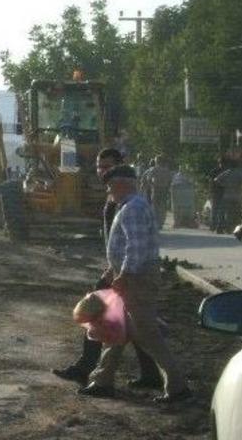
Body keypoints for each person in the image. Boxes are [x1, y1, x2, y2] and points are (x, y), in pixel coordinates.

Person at [80, 165, 191, 404]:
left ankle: (178, 387)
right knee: (114, 328)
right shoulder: (132, 206)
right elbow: (129, 247)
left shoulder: (133, 208)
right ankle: (102, 381)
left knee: (148, 334)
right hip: (132, 276)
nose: (108, 192)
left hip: (137, 280)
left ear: (121, 184)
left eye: (110, 186)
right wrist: (113, 270)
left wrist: (124, 274)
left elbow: (136, 246)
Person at [52, 149, 163, 388]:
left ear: (119, 168)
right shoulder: (114, 198)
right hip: (119, 270)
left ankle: (90, 370)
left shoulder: (127, 202)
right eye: (99, 167)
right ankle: (149, 374)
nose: (102, 172)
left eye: (107, 167)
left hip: (129, 272)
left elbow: (133, 243)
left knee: (104, 317)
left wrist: (121, 272)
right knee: (131, 324)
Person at [213, 160, 242, 233]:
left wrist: (223, 185)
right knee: (236, 212)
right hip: (237, 196)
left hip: (227, 195)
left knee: (226, 212)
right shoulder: (240, 173)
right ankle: (234, 228)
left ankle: (223, 227)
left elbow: (216, 180)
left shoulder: (227, 172)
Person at [208, 157, 228, 233]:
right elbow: (211, 182)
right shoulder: (214, 171)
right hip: (216, 192)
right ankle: (213, 226)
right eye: (221, 163)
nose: (222, 165)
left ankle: (219, 227)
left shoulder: (226, 172)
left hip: (222, 192)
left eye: (223, 163)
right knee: (215, 210)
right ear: (219, 163)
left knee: (221, 210)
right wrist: (210, 191)